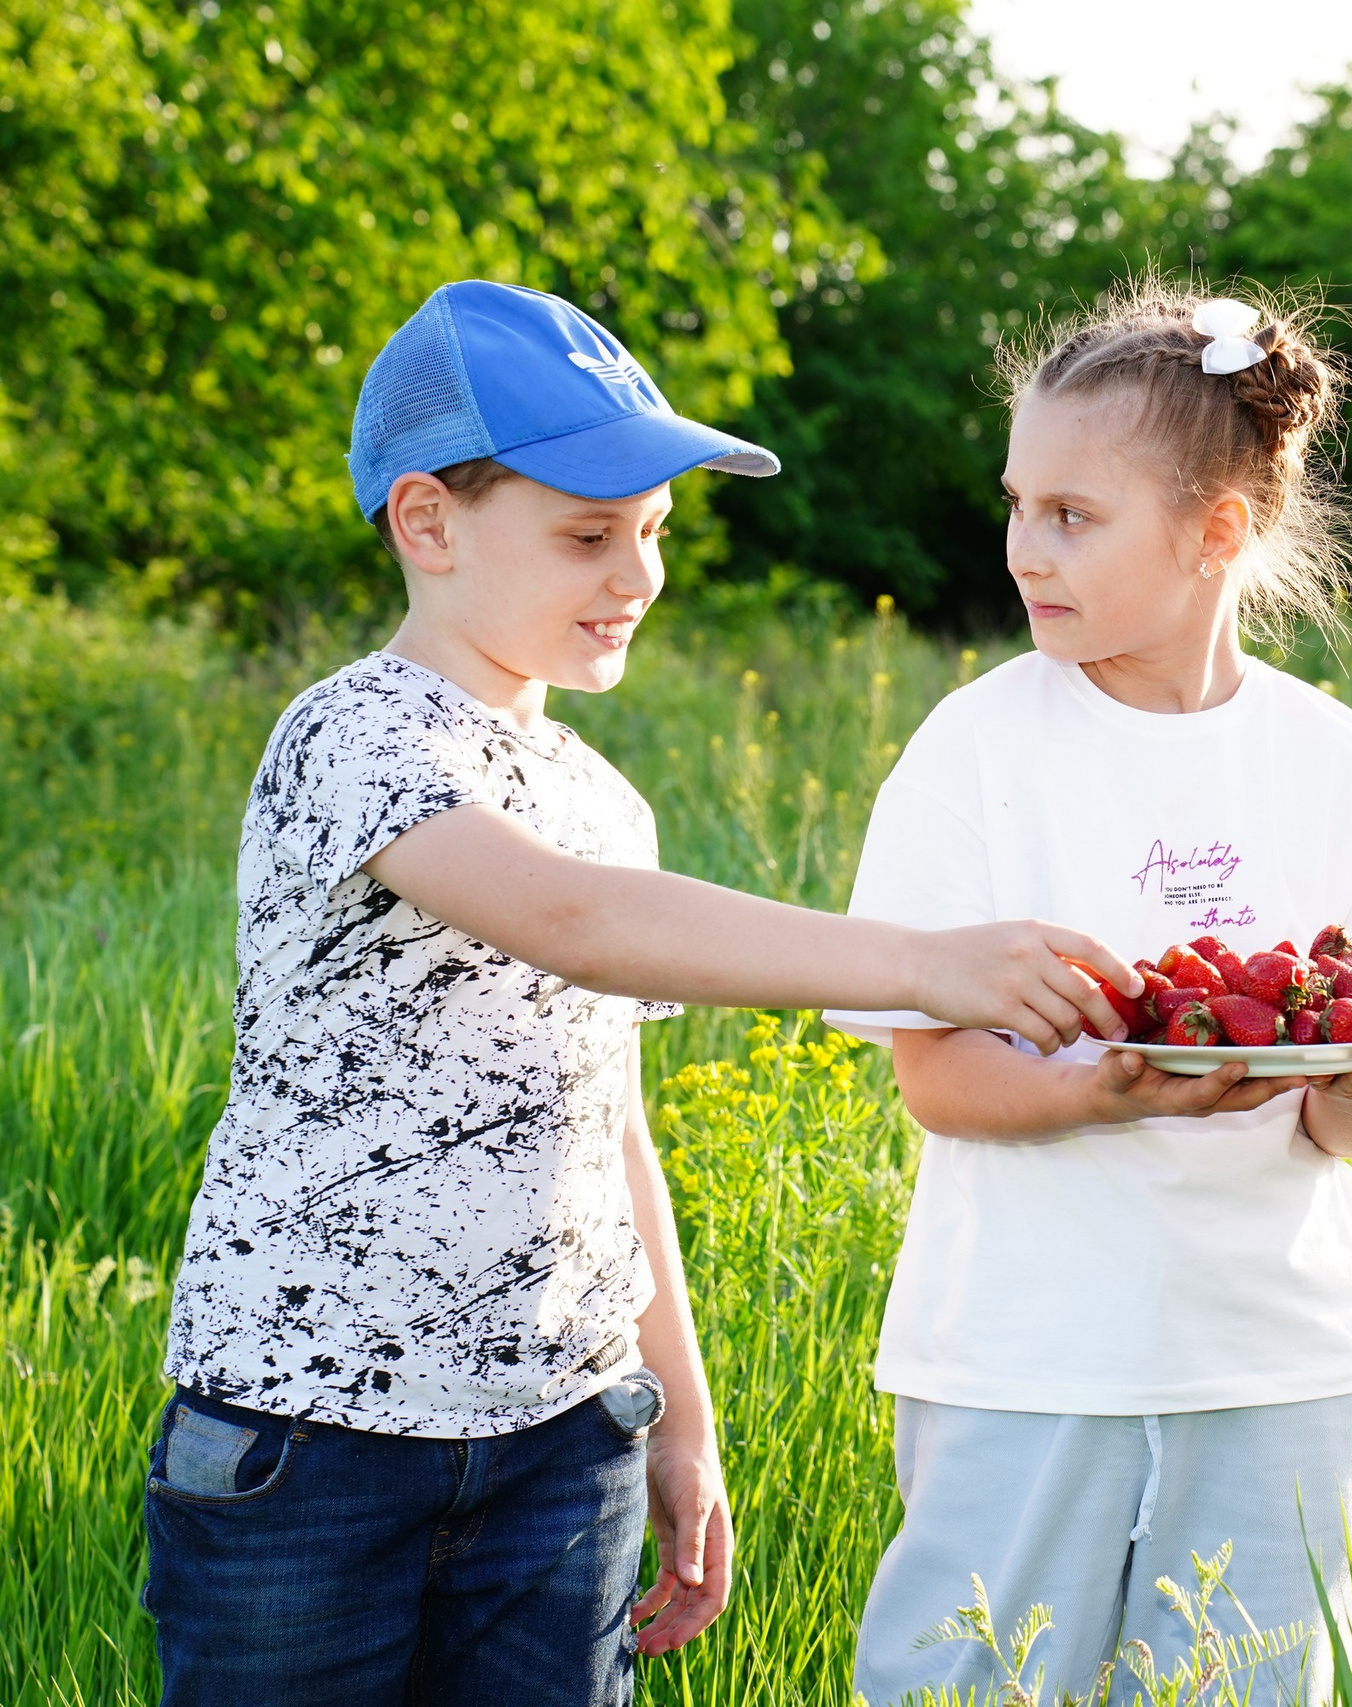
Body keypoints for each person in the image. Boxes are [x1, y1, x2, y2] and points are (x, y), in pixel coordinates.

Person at [146, 280, 1142, 1707]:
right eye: (586, 535)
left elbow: (609, 1123)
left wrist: (679, 1418)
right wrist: (926, 960)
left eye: (653, 533)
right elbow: (574, 922)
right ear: (427, 524)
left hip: (567, 1439)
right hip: (309, 1444)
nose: (637, 575)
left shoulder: (600, 797)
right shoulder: (354, 734)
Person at [827, 280, 1352, 1707]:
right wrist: (1100, 1087)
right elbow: (936, 1077)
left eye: (1074, 516)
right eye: (1018, 504)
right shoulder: (977, 748)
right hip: (1025, 1355)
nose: (1022, 551)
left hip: (1273, 1364)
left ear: (1217, 535)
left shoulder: (1349, 773)